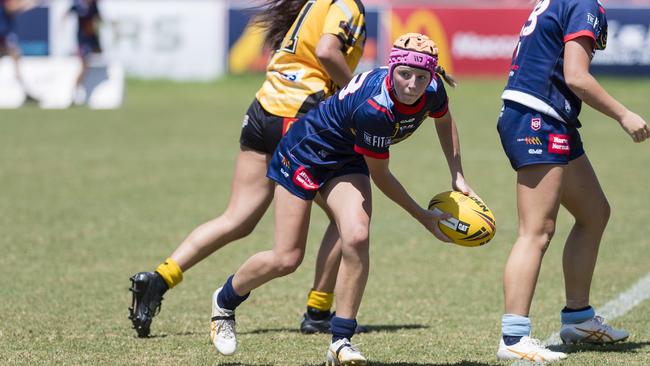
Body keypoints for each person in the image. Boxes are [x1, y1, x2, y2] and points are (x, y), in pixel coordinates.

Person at [210, 33, 475, 365]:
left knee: (357, 234)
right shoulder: (376, 108)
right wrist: (422, 216)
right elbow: (381, 177)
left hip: (347, 157)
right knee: (286, 258)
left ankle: (340, 341)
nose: (412, 84)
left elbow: (445, 121)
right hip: (305, 151)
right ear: (392, 68)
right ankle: (224, 301)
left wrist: (457, 174)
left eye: (421, 77)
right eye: (405, 74)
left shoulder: (433, 90)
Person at [128, 0, 367, 338]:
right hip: (301, 117)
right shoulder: (346, 5)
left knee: (237, 218)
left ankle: (159, 278)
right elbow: (328, 51)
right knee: (348, 219)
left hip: (264, 109)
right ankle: (318, 309)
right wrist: (358, 90)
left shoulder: (316, 3)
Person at [495, 0, 649, 362]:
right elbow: (576, 76)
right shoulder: (583, 4)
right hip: (538, 116)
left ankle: (578, 319)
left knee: (594, 212)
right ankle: (514, 338)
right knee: (537, 230)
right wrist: (624, 115)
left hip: (548, 115)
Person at [66, 0, 102, 104]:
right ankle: (75, 91)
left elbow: (98, 19)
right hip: (82, 41)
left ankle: (83, 90)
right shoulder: (78, 5)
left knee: (101, 57)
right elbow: (68, 13)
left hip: (92, 39)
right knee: (84, 66)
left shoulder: (93, 6)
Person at [0, 0, 38, 96]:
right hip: (2, 33)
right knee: (15, 53)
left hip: (5, 33)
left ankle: (22, 87)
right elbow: (10, 7)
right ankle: (22, 86)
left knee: (15, 54)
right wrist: (29, 3)